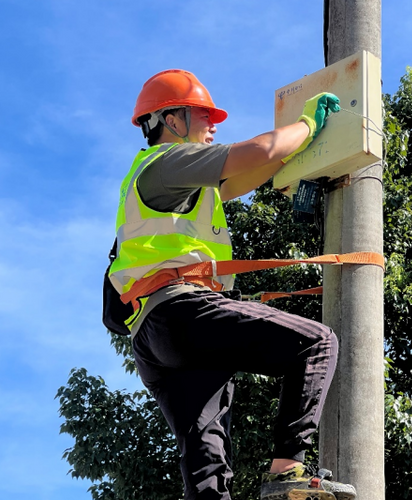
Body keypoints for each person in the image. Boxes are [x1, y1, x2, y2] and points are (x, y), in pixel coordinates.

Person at [108, 69, 356, 500]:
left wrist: (304, 149)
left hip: (154, 332)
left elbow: (263, 166)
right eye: (203, 115)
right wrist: (308, 125)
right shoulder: (167, 163)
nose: (213, 125)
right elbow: (259, 150)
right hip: (181, 311)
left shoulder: (176, 183)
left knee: (207, 461)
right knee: (315, 344)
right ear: (172, 120)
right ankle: (287, 472)